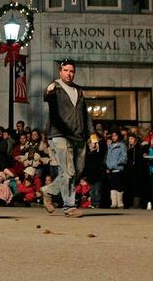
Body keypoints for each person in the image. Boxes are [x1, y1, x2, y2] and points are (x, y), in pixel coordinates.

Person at [41, 59, 92, 218]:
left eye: (71, 71)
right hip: (60, 135)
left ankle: (48, 191)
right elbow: (47, 96)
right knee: (69, 171)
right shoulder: (54, 87)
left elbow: (85, 114)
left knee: (77, 171)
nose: (69, 74)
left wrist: (92, 135)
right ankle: (69, 206)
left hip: (79, 135)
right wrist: (48, 91)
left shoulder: (79, 90)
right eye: (66, 70)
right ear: (60, 71)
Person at [105, 130, 127, 208]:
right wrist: (108, 165)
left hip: (118, 168)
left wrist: (117, 162)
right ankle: (114, 203)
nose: (114, 137)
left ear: (118, 136)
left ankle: (120, 203)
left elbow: (124, 156)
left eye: (115, 135)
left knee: (118, 186)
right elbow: (108, 157)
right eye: (113, 136)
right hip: (111, 169)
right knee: (112, 186)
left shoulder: (122, 145)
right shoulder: (110, 146)